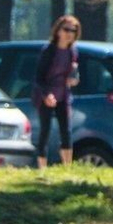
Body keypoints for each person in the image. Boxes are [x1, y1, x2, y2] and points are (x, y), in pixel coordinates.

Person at [33, 15, 81, 169]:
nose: (69, 33)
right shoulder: (49, 51)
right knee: (45, 131)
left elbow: (73, 74)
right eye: (66, 29)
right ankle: (42, 169)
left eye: (73, 31)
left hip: (63, 95)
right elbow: (38, 78)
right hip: (46, 95)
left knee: (66, 131)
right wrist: (46, 95)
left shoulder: (72, 52)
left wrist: (73, 80)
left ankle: (67, 167)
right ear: (58, 31)